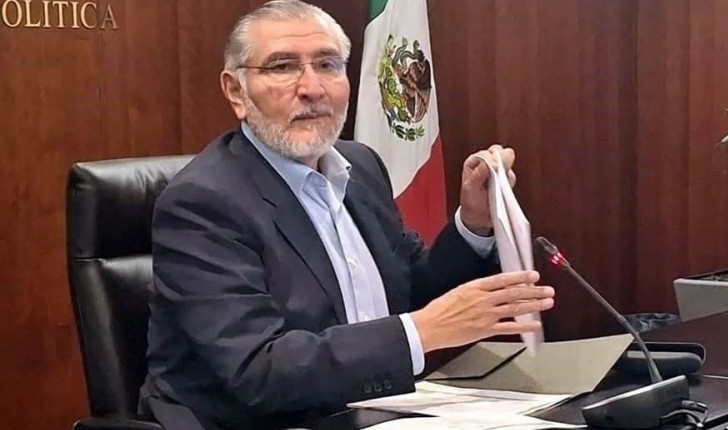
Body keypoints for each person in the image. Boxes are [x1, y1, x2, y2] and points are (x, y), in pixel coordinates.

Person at [139, 1, 555, 429]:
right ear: (236, 92)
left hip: (371, 413)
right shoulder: (202, 203)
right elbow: (259, 369)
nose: (312, 87)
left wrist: (474, 223)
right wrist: (420, 332)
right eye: (282, 67)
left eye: (327, 65)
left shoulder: (361, 167)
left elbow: (416, 291)